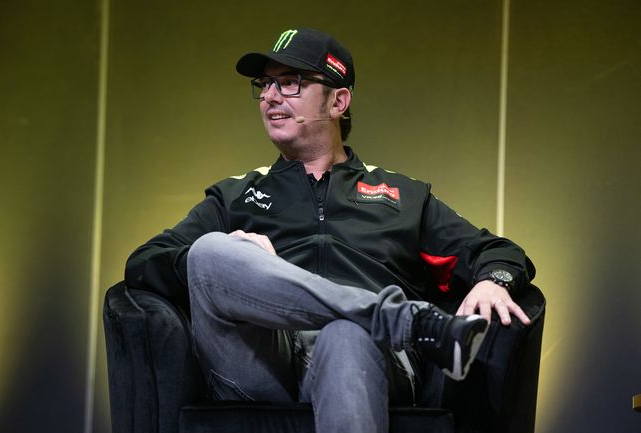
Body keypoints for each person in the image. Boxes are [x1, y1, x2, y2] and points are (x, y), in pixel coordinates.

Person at [125, 28, 535, 433]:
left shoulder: (404, 196)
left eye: (290, 82)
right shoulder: (235, 196)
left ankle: (380, 322)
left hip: (366, 356)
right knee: (209, 251)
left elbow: (498, 252)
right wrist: (238, 259)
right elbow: (144, 261)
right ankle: (408, 321)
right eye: (265, 84)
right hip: (262, 362)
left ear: (338, 101)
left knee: (345, 335)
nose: (270, 96)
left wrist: (494, 281)